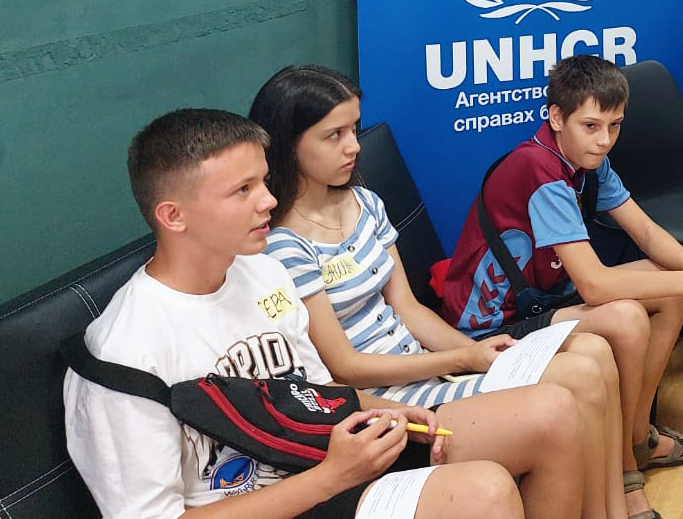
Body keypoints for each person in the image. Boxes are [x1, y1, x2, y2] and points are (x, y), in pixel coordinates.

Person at [63, 109, 583, 519]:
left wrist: (386, 410)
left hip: (323, 460)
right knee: (483, 492)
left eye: (263, 182)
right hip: (298, 491)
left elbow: (317, 392)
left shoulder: (264, 273)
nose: (268, 200)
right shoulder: (123, 353)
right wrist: (332, 477)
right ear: (173, 215)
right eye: (242, 190)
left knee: (552, 413)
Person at [249, 65, 648, 519]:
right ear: (288, 142)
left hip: (428, 368)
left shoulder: (365, 203)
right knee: (570, 387)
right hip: (387, 397)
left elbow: (408, 307)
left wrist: (481, 354)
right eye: (334, 134)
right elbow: (346, 368)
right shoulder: (282, 244)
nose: (354, 146)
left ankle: (614, 507)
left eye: (355, 129)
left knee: (591, 361)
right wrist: (463, 358)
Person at [441, 55, 683, 481]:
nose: (604, 141)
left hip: (544, 302)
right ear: (556, 117)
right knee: (626, 313)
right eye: (591, 126)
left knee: (673, 286)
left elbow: (649, 234)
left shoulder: (588, 164)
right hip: (495, 329)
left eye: (615, 125)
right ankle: (622, 468)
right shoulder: (539, 169)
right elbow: (595, 285)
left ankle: (638, 440)